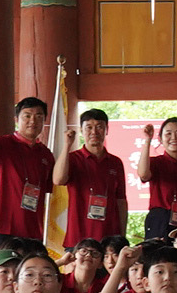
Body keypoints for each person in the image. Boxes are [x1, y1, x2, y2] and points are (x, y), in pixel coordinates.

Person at [0, 97, 59, 246]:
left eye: (39, 116)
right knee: (3, 269)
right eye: (27, 116)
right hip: (2, 227)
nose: (33, 121)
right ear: (17, 119)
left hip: (32, 230)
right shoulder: (4, 143)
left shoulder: (46, 154)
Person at [52, 108, 130, 252]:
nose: (94, 132)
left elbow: (121, 201)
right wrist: (67, 145)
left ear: (107, 130)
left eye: (99, 127)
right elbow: (58, 179)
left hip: (109, 237)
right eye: (89, 127)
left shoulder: (115, 162)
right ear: (81, 131)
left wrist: (122, 236)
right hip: (78, 237)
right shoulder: (73, 159)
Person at [140, 116, 177, 240]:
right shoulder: (155, 162)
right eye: (168, 134)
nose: (173, 138)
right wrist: (148, 140)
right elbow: (143, 174)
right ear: (160, 139)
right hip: (160, 219)